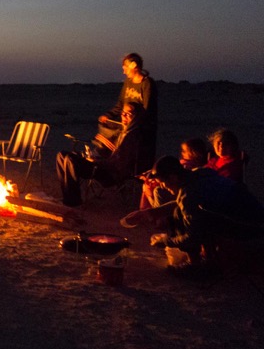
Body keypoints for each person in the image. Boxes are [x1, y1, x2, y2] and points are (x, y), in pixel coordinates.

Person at [123, 156, 264, 268]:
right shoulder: (200, 174)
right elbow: (184, 204)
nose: (162, 187)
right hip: (255, 221)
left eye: (162, 182)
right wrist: (150, 212)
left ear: (173, 177)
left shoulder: (189, 193)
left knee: (178, 217)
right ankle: (208, 259)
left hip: (247, 230)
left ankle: (196, 265)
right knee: (186, 213)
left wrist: (165, 240)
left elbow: (192, 236)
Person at [57, 102, 145, 207]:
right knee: (62, 155)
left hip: (109, 174)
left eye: (128, 114)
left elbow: (118, 163)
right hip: (102, 165)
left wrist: (97, 162)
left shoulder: (131, 137)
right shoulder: (123, 130)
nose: (123, 115)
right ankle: (68, 197)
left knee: (70, 159)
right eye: (123, 112)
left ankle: (73, 202)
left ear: (136, 117)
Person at [94, 53, 157, 164]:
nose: (124, 72)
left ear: (134, 65)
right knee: (105, 128)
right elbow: (120, 104)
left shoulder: (147, 84)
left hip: (138, 127)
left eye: (125, 68)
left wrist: (134, 123)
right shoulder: (128, 83)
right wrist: (108, 116)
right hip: (126, 122)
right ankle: (103, 155)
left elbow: (147, 110)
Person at [138, 137, 210, 210]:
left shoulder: (190, 191)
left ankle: (153, 216)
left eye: (184, 151)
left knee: (157, 191)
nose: (182, 153)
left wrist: (149, 195)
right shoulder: (198, 173)